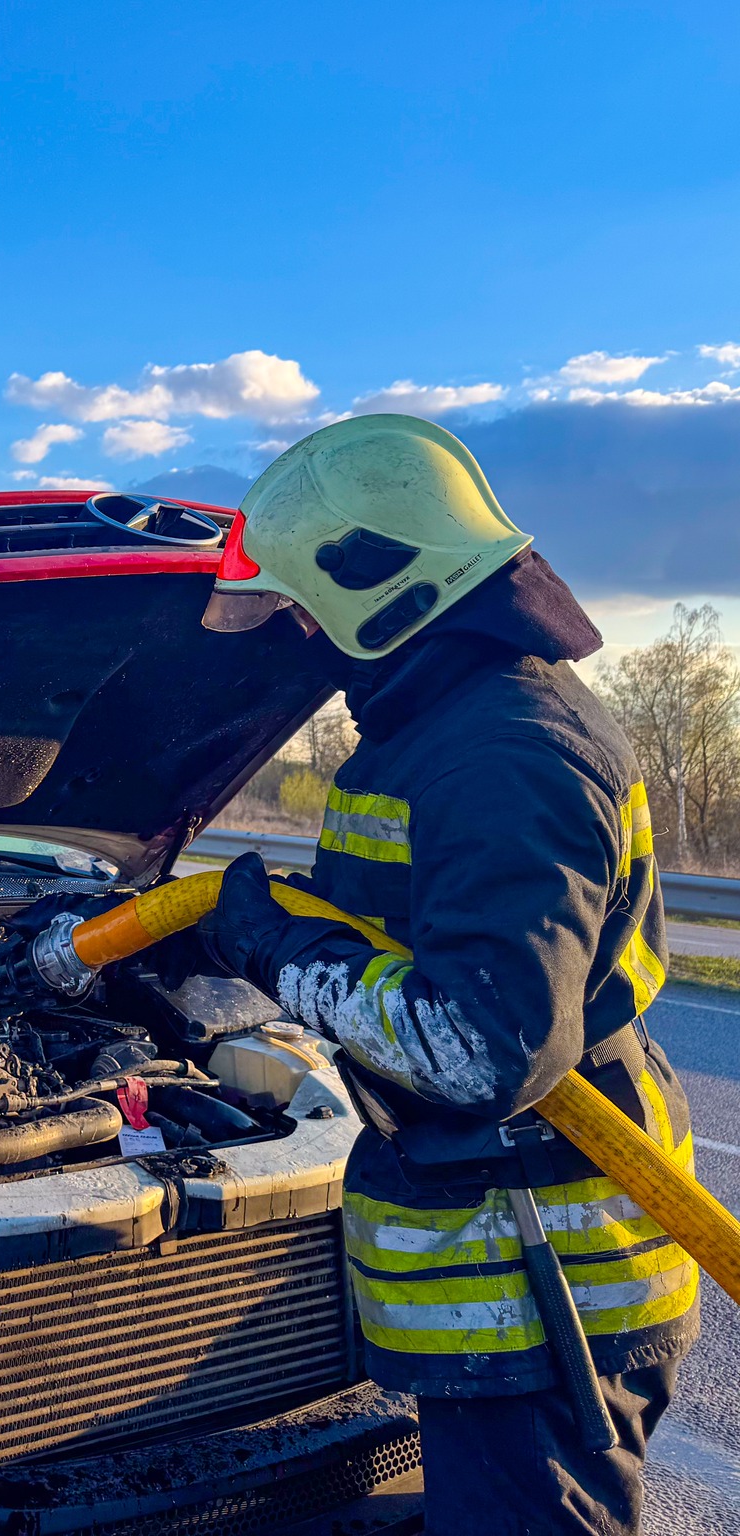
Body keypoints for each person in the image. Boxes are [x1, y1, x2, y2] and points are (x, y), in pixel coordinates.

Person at [190, 415, 696, 1536]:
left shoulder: (501, 751)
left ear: (378, 587)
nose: (296, 637)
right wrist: (202, 941)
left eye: (299, 609)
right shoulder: (442, 726)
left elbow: (480, 1048)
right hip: (508, 1275)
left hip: (547, 1287)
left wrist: (273, 949)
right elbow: (403, 929)